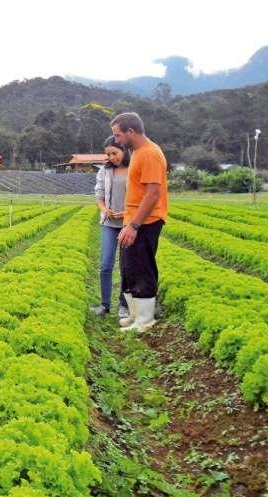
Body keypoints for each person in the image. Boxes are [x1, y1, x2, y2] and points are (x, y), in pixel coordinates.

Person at [110, 111, 169, 332]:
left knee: (142, 266)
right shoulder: (138, 152)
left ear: (130, 131)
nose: (116, 140)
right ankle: (135, 316)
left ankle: (145, 321)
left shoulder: (150, 154)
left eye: (118, 135)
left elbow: (153, 194)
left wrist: (134, 225)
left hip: (146, 221)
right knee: (129, 267)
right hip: (133, 219)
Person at [90, 135, 131, 320]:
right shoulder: (104, 171)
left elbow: (139, 198)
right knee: (106, 265)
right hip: (108, 223)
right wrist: (104, 209)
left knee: (126, 267)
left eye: (114, 153)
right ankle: (105, 305)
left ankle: (124, 305)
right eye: (108, 154)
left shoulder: (133, 169)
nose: (111, 157)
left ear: (124, 150)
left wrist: (124, 214)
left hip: (127, 224)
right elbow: (98, 194)